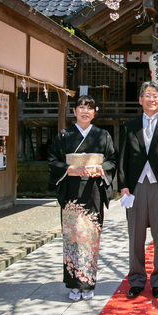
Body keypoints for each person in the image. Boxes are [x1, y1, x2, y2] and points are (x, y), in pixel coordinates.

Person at [48, 95, 117, 301]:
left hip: (93, 191)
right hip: (71, 191)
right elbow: (52, 160)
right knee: (72, 239)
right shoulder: (64, 135)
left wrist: (100, 168)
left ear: (95, 113)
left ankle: (87, 283)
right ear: (74, 111)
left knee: (90, 238)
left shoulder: (103, 135)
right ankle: (73, 284)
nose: (85, 111)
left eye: (90, 108)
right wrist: (70, 169)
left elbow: (112, 159)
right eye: (81, 107)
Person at [118, 81, 158, 299]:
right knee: (135, 235)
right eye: (147, 95)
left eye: (155, 95)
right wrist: (123, 186)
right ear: (140, 99)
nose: (151, 99)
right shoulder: (129, 126)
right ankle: (136, 279)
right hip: (135, 187)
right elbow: (122, 159)